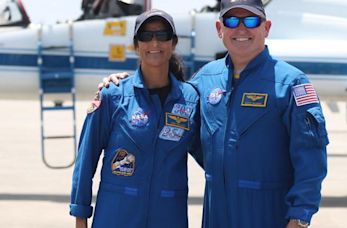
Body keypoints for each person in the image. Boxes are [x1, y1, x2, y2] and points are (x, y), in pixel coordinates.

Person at [100, 0, 329, 227]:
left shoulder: (291, 83)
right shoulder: (206, 78)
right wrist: (124, 83)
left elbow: (311, 158)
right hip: (216, 211)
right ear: (220, 29)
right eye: (231, 20)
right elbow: (174, 111)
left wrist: (300, 217)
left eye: (250, 20)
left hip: (268, 212)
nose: (241, 28)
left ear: (266, 27)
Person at [69, 9, 202, 228]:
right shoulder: (112, 95)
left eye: (162, 35)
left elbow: (214, 157)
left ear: (173, 42)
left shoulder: (190, 100)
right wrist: (80, 217)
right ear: (136, 45)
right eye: (146, 36)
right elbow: (85, 161)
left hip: (168, 217)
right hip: (116, 216)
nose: (154, 43)